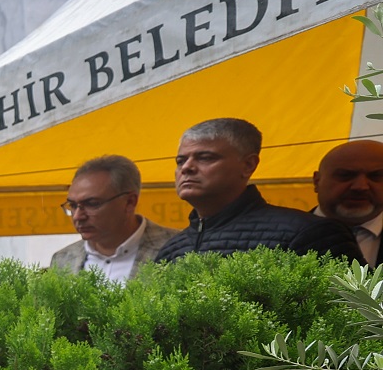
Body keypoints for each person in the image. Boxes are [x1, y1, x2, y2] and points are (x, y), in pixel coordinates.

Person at [155, 118, 361, 262]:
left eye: (205, 158)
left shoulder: (309, 235)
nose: (187, 168)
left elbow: (358, 310)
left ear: (248, 165)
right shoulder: (171, 250)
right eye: (180, 161)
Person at [49, 155, 178, 283]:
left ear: (129, 202)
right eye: (72, 205)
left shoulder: (178, 248)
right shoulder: (63, 259)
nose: (78, 216)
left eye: (92, 204)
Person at [311, 139, 383, 266]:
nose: (360, 186)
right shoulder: (279, 238)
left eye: (376, 176)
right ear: (317, 181)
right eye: (345, 175)